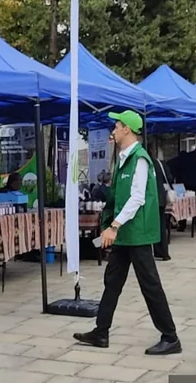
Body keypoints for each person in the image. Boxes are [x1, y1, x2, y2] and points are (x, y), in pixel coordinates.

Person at [73, 111, 180, 355]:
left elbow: (137, 198)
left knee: (150, 285)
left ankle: (170, 336)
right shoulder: (123, 158)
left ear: (127, 130)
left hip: (137, 233)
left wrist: (114, 226)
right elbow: (117, 197)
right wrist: (109, 223)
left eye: (117, 126)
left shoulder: (140, 159)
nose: (113, 130)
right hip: (125, 233)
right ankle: (101, 331)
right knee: (112, 281)